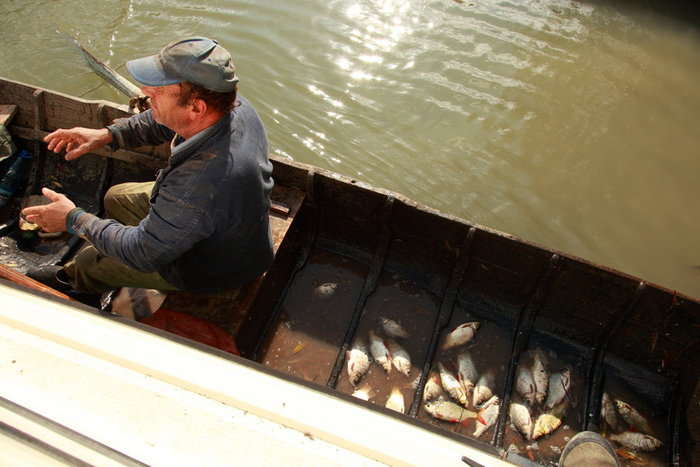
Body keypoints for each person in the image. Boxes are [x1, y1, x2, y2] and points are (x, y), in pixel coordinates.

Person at [23, 37, 274, 298]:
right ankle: (133, 236)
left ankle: (75, 283)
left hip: (215, 267)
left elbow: (142, 254)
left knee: (90, 263)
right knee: (117, 198)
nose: (146, 91)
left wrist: (73, 219)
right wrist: (107, 134)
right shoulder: (230, 105)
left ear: (196, 107)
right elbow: (162, 120)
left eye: (159, 90)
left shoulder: (197, 185)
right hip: (236, 226)